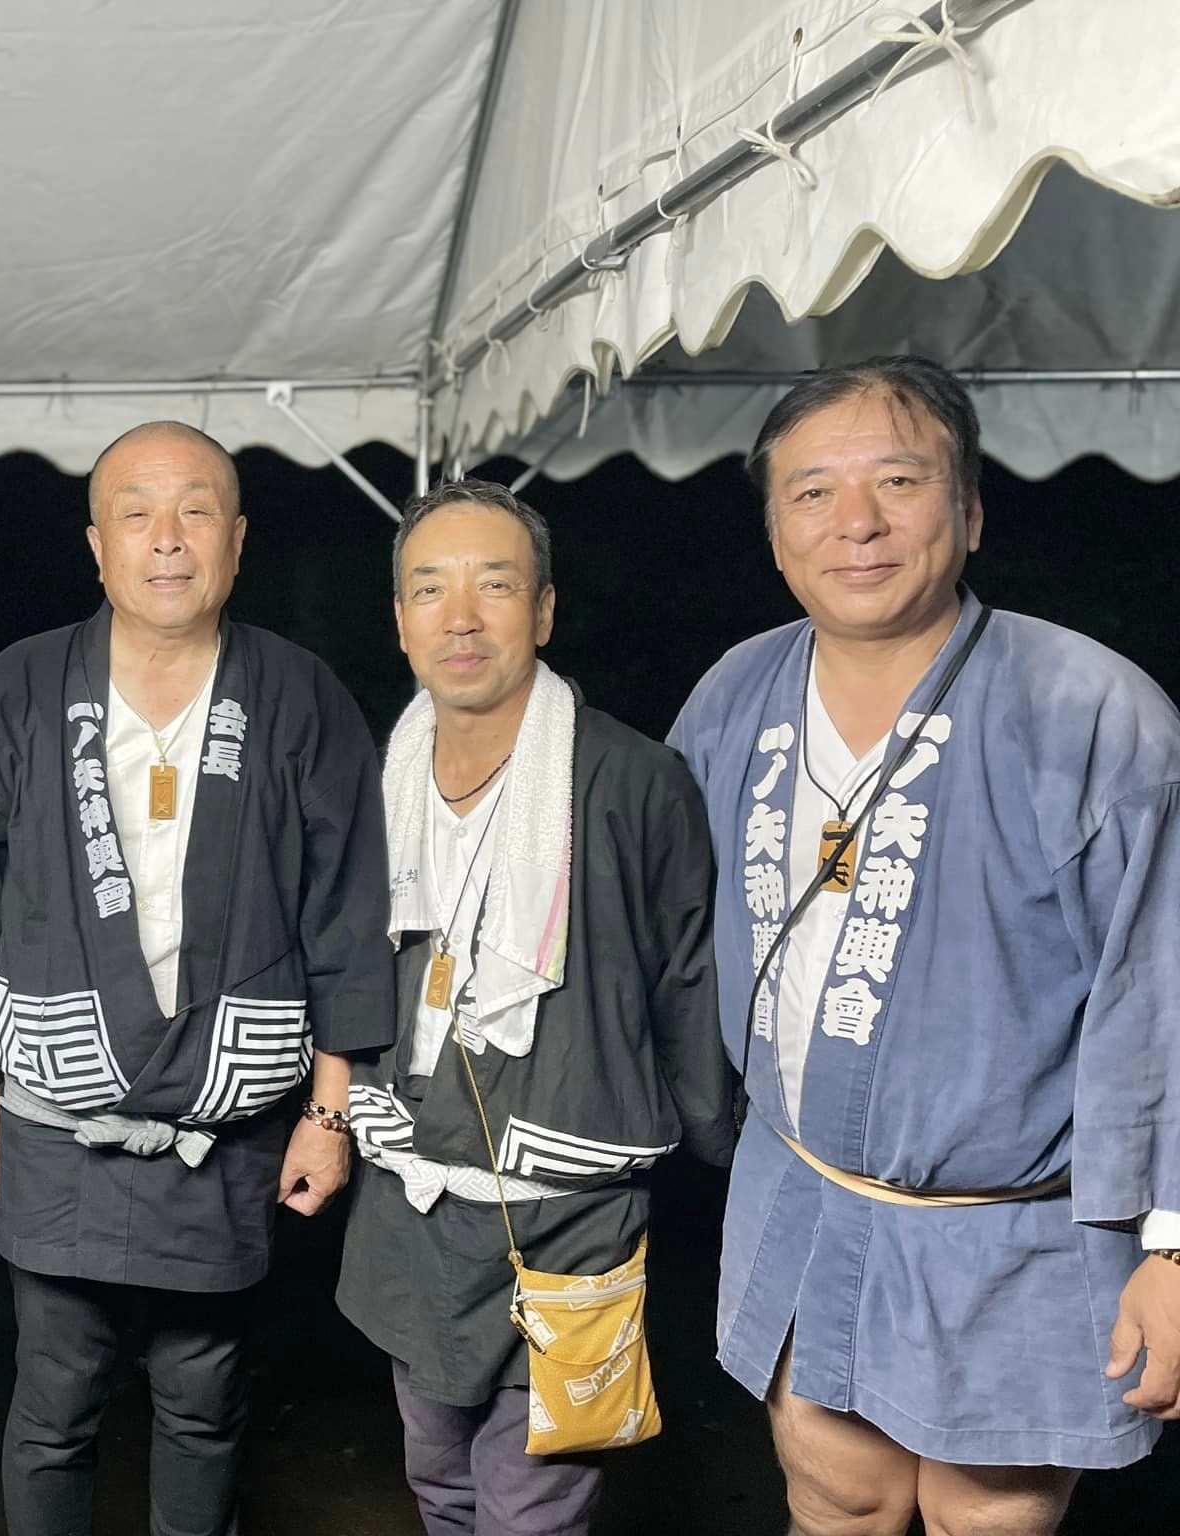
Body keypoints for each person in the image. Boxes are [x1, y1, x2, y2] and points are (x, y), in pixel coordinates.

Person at [668, 355, 1180, 1535]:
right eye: (810, 493)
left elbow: (1167, 993)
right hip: (803, 1191)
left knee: (982, 1516)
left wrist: (1173, 1249)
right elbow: (662, 928)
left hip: (1013, 1227)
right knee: (831, 1495)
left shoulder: (1092, 715)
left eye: (897, 480)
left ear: (969, 509)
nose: (855, 523)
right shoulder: (734, 694)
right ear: (772, 529)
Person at [0, 421, 396, 1535]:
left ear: (235, 541)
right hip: (56, 1119)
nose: (167, 540)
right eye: (136, 513)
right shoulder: (23, 685)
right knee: (51, 1403)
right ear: (96, 546)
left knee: (203, 1399)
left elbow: (347, 905)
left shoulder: (295, 693)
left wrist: (330, 1111)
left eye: (195, 511)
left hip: (222, 1130)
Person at [334, 479, 736, 1536]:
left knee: (534, 1509)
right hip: (411, 1205)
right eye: (429, 589)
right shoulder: (376, 782)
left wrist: (716, 1134)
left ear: (544, 611)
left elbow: (685, 972)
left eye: (494, 586)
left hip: (569, 1208)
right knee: (437, 1483)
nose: (459, 617)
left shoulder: (631, 779)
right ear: (399, 621)